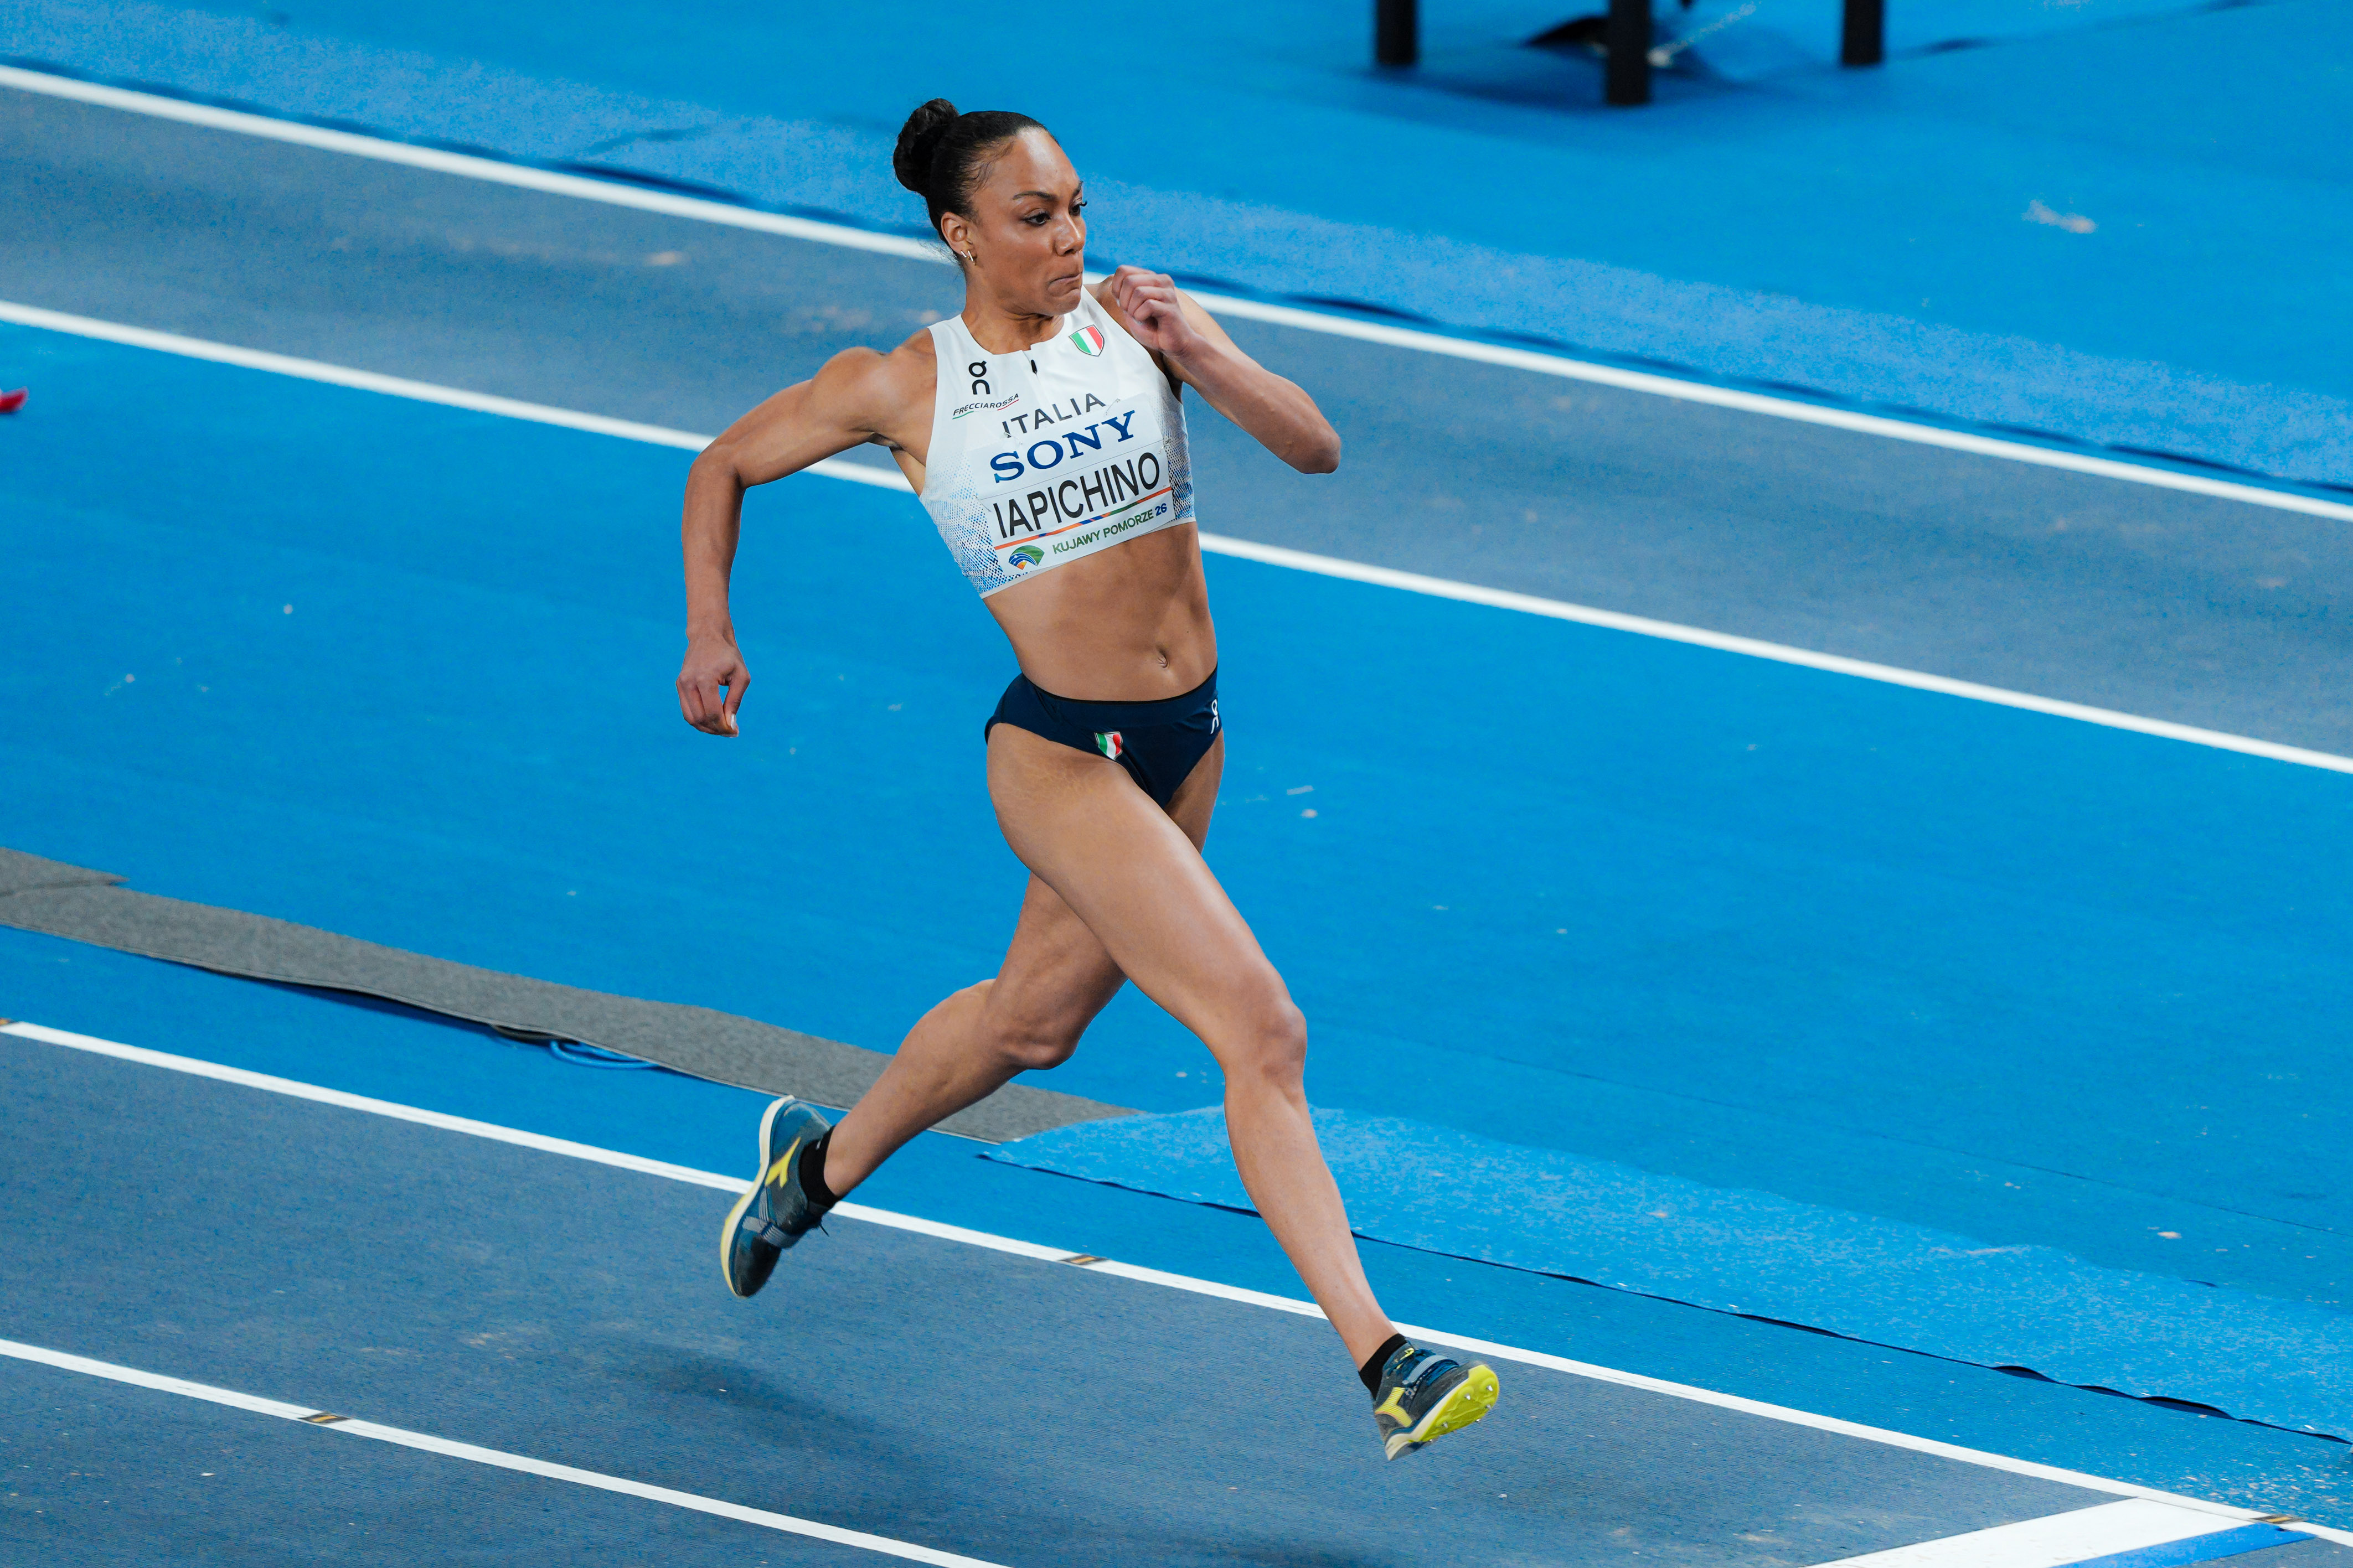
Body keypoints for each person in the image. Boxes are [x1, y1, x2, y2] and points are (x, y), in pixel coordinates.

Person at [676, 97, 1497, 1460]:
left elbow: (1315, 445)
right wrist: (711, 630)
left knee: (1031, 1025)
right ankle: (1386, 1361)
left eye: (1074, 209)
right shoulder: (901, 385)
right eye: (1033, 216)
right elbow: (723, 465)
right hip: (1061, 753)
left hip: (1189, 737)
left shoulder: (1139, 322)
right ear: (960, 234)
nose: (1068, 238)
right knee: (1262, 1029)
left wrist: (1195, 348)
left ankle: (810, 1169)